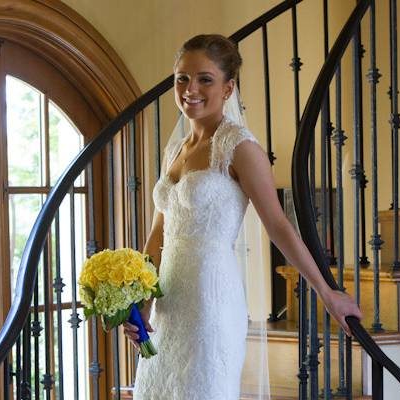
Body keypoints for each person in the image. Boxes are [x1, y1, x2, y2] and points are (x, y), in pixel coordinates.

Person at [123, 34, 362, 400]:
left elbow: (279, 225)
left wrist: (327, 293)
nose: (191, 89)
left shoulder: (239, 147)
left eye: (205, 79)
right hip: (168, 306)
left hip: (210, 301)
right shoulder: (175, 149)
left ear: (228, 87)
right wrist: (141, 300)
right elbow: (158, 235)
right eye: (182, 78)